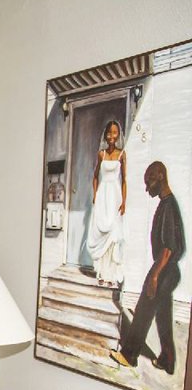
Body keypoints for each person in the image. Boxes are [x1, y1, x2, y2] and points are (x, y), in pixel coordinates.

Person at [110, 161, 185, 375]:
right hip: (168, 270)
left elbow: (169, 247)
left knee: (144, 309)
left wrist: (154, 276)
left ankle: (129, 355)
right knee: (162, 314)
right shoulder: (166, 203)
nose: (147, 188)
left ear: (160, 176)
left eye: (149, 182)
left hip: (164, 269)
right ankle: (168, 360)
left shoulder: (168, 206)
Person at [87, 120, 127, 287]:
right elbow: (95, 176)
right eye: (109, 132)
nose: (112, 136)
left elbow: (124, 180)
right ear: (106, 135)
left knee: (113, 233)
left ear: (118, 135)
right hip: (103, 195)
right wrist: (95, 195)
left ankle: (111, 275)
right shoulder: (101, 154)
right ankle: (102, 273)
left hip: (115, 196)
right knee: (102, 231)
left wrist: (124, 201)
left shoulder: (122, 154)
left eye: (115, 132)